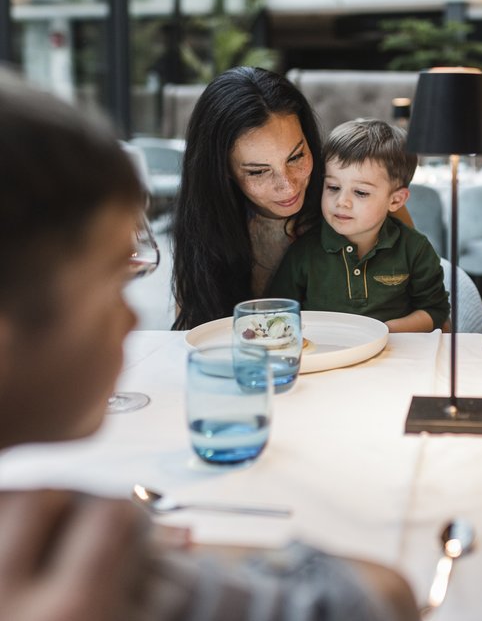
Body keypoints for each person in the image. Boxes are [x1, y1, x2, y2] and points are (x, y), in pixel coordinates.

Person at [0, 66, 420, 621]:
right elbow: (374, 598)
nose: (289, 185)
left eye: (297, 157)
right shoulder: (83, 551)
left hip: (354, 391)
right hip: (259, 401)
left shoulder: (347, 193)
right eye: (106, 283)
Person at [173, 66, 413, 330]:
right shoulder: (206, 228)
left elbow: (432, 320)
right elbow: (194, 335)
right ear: (222, 170)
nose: (288, 188)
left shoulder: (367, 200)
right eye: (258, 172)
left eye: (296, 157)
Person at [269, 119, 449, 332]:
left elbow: (435, 311)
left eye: (361, 192)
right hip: (326, 356)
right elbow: (276, 312)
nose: (341, 201)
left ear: (395, 201)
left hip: (394, 356)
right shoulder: (304, 251)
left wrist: (385, 331)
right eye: (333, 187)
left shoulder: (415, 249)